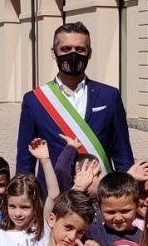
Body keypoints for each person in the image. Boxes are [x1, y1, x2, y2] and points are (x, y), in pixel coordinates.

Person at [15, 22, 133, 189]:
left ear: (89, 53)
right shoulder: (34, 100)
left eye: (79, 49)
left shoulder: (109, 96)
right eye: (65, 49)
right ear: (53, 52)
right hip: (54, 195)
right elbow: (25, 162)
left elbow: (122, 153)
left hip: (99, 194)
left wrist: (127, 192)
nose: (72, 54)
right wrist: (24, 201)